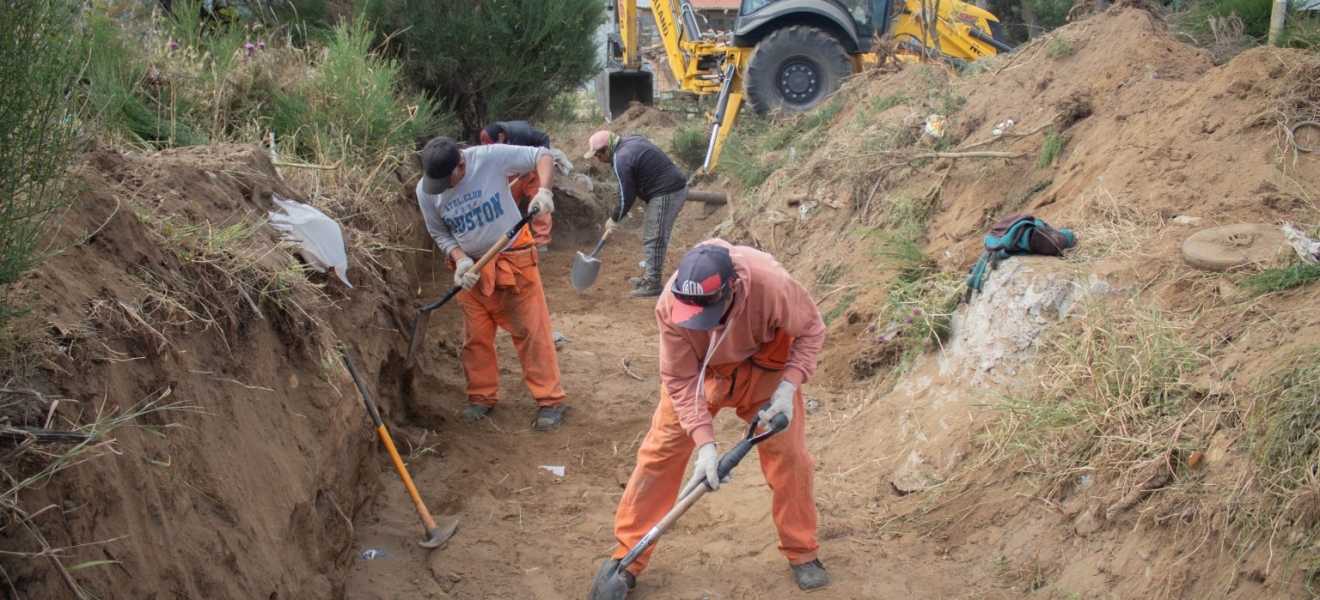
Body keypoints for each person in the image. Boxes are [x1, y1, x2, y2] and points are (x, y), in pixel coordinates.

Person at [604, 239, 829, 593]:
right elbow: (679, 378)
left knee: (791, 458)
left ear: (732, 289)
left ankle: (802, 551)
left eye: (708, 315)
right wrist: (705, 445)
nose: (701, 325)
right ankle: (628, 555)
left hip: (763, 365)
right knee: (659, 454)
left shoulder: (770, 284)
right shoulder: (670, 305)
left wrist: (789, 386)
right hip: (700, 374)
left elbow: (812, 328)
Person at [415, 136, 568, 430]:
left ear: (461, 164)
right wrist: (460, 260)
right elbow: (440, 233)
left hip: (513, 260)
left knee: (530, 332)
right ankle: (481, 397)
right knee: (476, 338)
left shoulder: (489, 158)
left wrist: (545, 192)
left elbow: (542, 154)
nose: (442, 189)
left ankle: (551, 400)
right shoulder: (426, 190)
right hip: (471, 271)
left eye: (448, 181)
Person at [584, 130, 688, 298]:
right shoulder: (630, 142)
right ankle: (649, 276)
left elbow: (627, 195)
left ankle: (653, 283)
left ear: (606, 148)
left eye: (598, 155)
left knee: (655, 236)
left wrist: (614, 218)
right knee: (650, 234)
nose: (599, 160)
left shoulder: (621, 159)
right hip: (661, 191)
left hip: (668, 191)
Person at [481, 121, 554, 253]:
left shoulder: (521, 133)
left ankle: (542, 241)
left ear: (500, 136)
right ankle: (507, 241)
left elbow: (544, 139)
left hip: (532, 171)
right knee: (507, 204)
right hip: (512, 173)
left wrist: (538, 164)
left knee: (540, 204)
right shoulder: (493, 142)